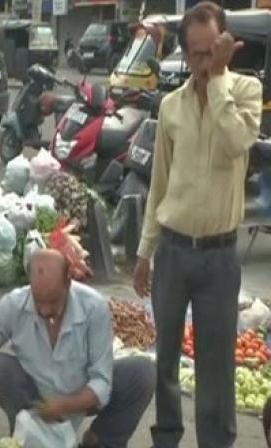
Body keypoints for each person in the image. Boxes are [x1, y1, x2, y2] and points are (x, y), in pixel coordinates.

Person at [132, 3, 263, 447]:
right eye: (197, 55)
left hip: (219, 256)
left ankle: (216, 442)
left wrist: (220, 81)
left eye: (213, 52)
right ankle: (166, 438)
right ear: (185, 55)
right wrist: (144, 252)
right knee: (165, 358)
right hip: (172, 250)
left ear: (226, 44)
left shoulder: (245, 90)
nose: (205, 64)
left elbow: (235, 143)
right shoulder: (171, 106)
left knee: (216, 366)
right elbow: (159, 186)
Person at [0, 249, 155, 447]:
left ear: (68, 283)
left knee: (142, 373)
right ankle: (27, 436)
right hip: (35, 400)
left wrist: (64, 405)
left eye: (53, 302)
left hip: (81, 395)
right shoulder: (15, 304)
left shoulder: (94, 308)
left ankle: (99, 440)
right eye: (38, 302)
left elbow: (102, 382)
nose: (45, 310)